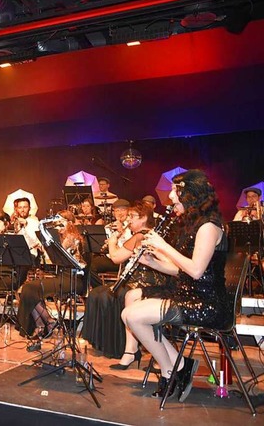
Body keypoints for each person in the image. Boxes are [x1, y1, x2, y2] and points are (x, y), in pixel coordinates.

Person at [122, 169, 228, 401]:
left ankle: (174, 370)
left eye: (175, 191)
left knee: (133, 315)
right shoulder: (193, 225)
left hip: (207, 302)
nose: (170, 197)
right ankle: (178, 367)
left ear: (190, 195)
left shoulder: (209, 227)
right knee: (129, 311)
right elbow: (182, 270)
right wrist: (152, 261)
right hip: (190, 292)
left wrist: (162, 246)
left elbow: (196, 271)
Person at [81, 201, 170, 364]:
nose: (128, 220)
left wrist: (114, 240)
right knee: (97, 293)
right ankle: (119, 347)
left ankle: (117, 346)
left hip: (143, 284)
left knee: (105, 295)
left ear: (143, 218)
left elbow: (116, 257)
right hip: (138, 281)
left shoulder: (140, 234)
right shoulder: (146, 233)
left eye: (132, 216)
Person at [17, 210, 86, 338]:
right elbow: (53, 260)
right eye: (56, 223)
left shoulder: (72, 237)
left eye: (61, 223)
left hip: (72, 279)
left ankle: (47, 322)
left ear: (69, 223)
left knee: (30, 288)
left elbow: (60, 256)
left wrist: (48, 245)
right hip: (61, 276)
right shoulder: (62, 237)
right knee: (29, 288)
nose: (57, 226)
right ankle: (43, 324)